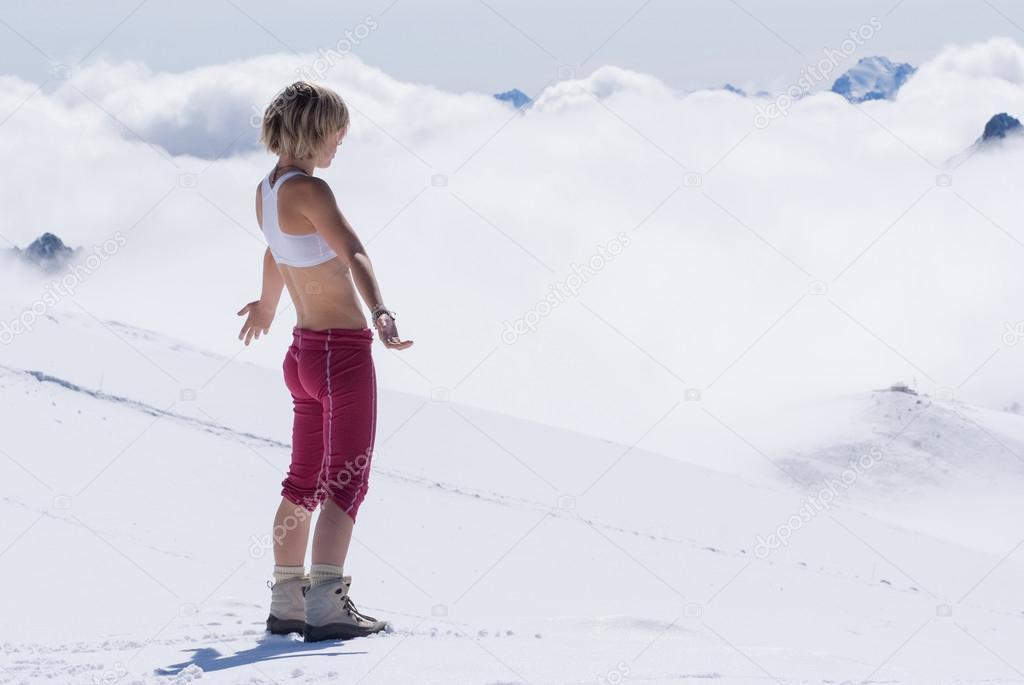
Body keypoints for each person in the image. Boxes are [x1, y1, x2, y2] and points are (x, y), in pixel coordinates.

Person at [236, 80, 413, 642]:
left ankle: (288, 600)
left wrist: (267, 306)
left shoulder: (266, 189)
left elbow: (275, 250)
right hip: (342, 353)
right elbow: (353, 250)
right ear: (315, 131)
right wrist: (381, 309)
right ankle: (328, 606)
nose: (340, 143)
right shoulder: (314, 191)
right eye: (338, 132)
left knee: (304, 480)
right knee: (345, 481)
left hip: (303, 354)